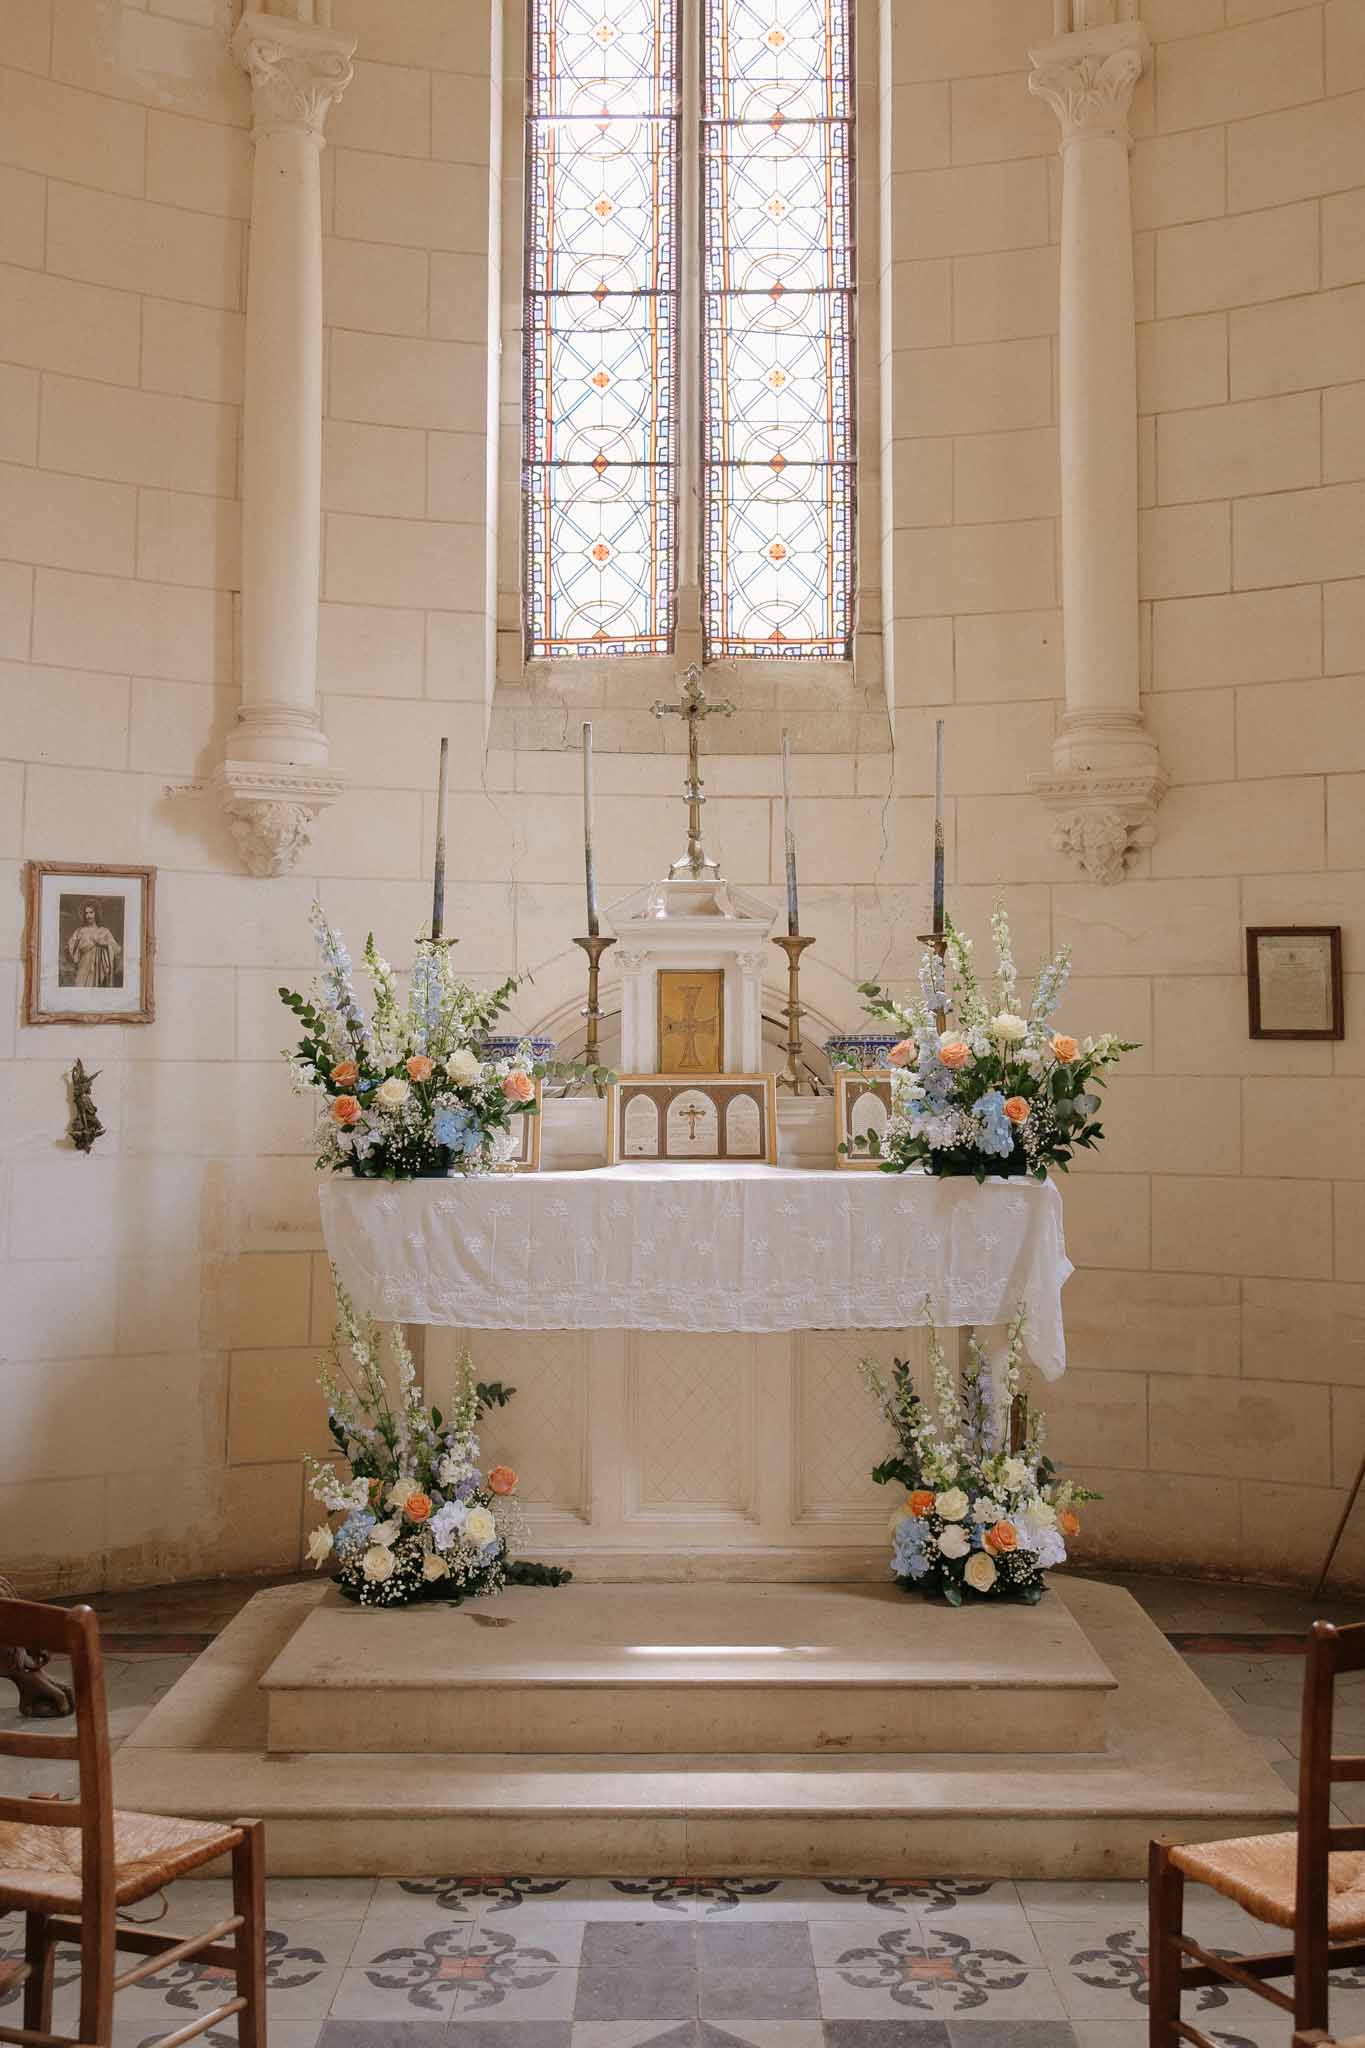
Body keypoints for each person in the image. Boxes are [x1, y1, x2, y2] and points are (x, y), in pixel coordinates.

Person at [66, 901, 121, 988]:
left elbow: (116, 949)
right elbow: (71, 946)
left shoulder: (104, 931)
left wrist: (103, 944)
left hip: (100, 970)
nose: (88, 915)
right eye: (86, 913)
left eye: (91, 912)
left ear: (96, 913)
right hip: (83, 967)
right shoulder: (80, 931)